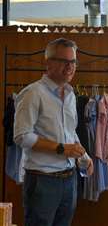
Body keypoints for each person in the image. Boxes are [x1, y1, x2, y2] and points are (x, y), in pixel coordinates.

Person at [14, 38, 94, 226]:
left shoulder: (70, 94)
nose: (70, 66)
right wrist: (60, 149)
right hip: (42, 180)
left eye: (73, 61)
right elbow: (21, 135)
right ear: (48, 63)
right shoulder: (33, 93)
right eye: (64, 61)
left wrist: (84, 156)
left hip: (69, 179)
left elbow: (70, 132)